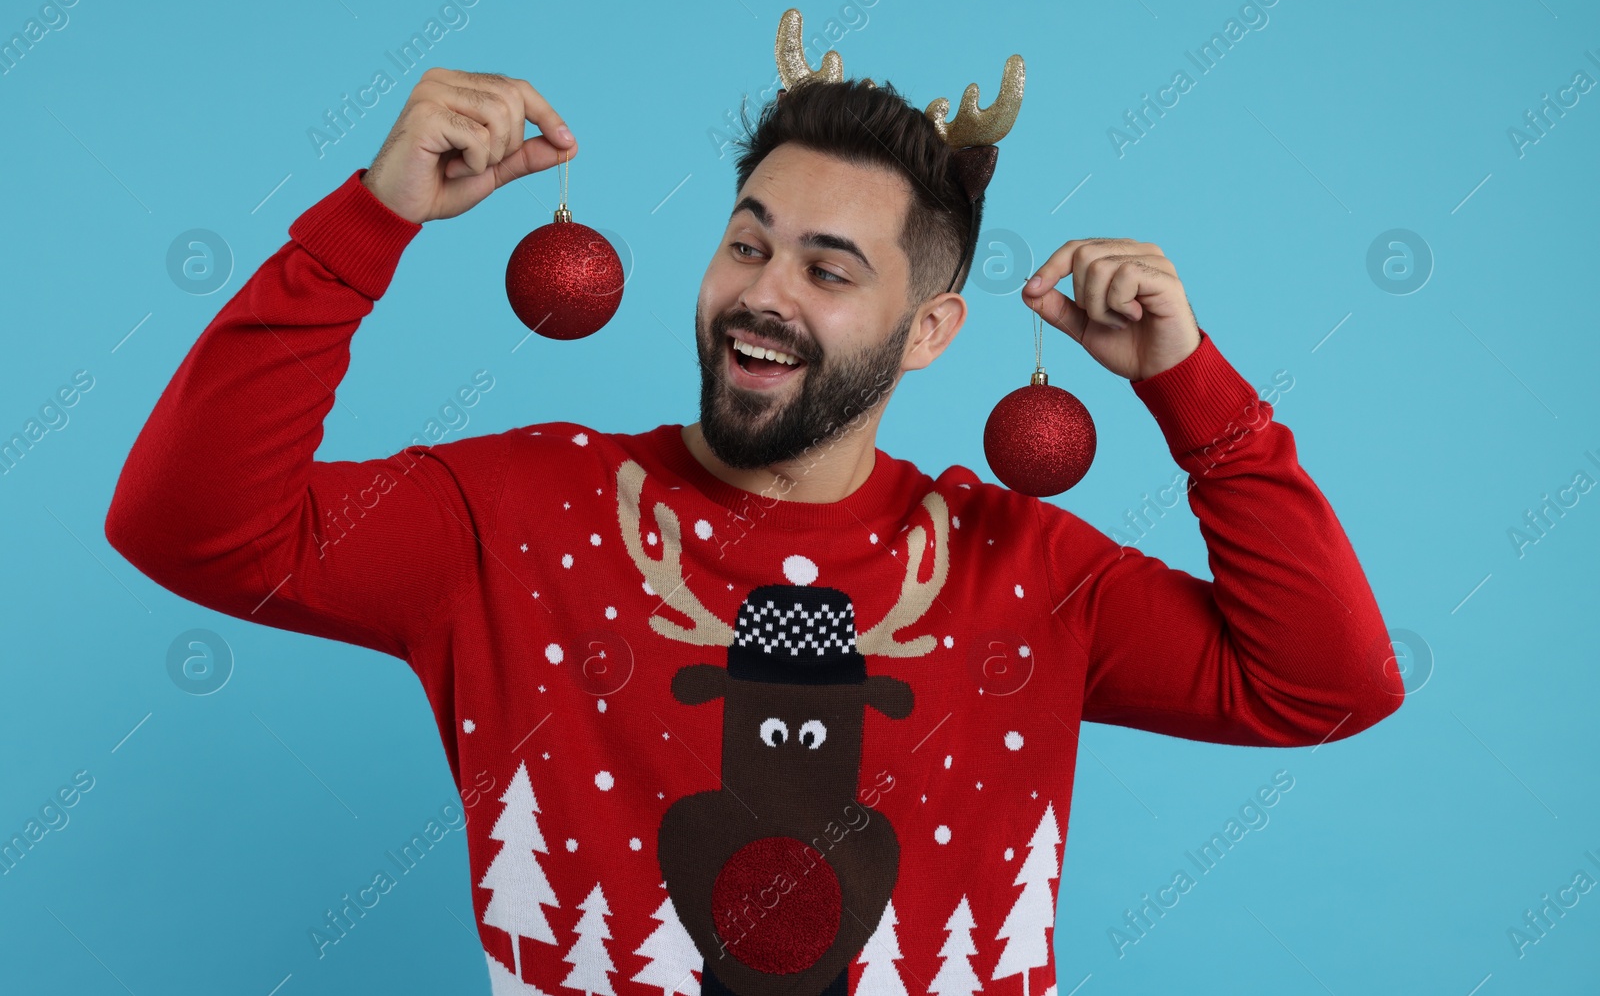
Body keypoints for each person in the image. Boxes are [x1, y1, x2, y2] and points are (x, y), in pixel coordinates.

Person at [106, 54, 1403, 994]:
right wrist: (368, 223)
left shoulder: (1025, 566)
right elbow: (191, 526)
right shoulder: (513, 514)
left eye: (831, 270)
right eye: (748, 244)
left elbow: (1326, 686)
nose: (763, 296)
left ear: (930, 332)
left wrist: (1193, 387)